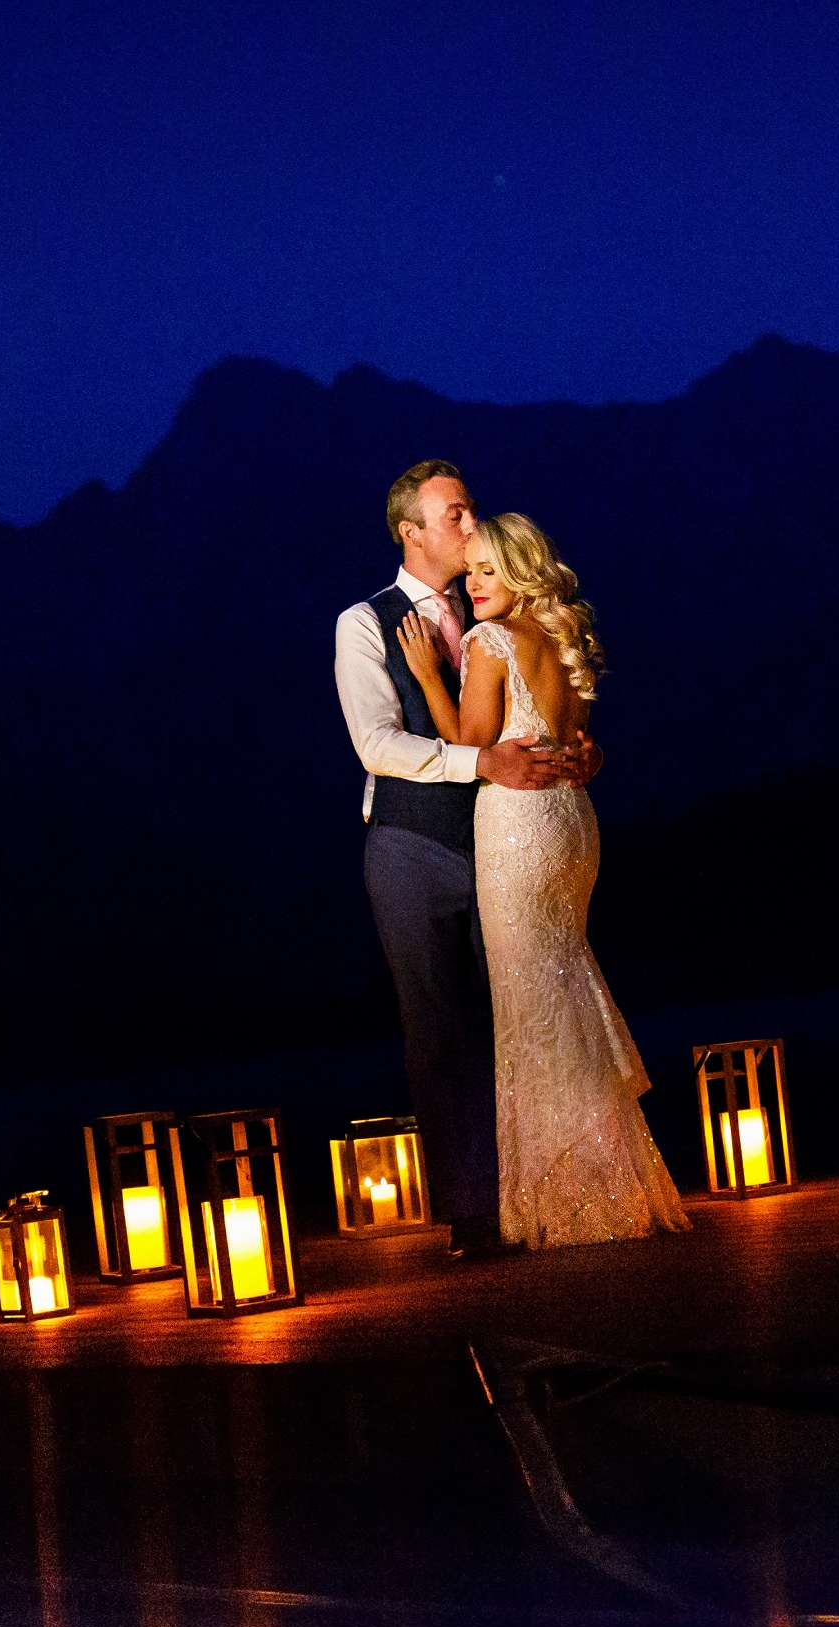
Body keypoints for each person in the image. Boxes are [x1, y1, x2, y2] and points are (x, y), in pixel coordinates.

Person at [399, 513, 690, 1249]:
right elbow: (581, 742)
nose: (475, 585)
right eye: (470, 576)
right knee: (566, 991)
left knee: (532, 1010)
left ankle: (574, 1199)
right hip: (574, 825)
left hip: (519, 828)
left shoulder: (487, 642)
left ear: (523, 572)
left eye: (489, 572)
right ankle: (610, 1180)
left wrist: (431, 674)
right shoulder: (563, 641)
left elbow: (469, 741)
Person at [331, 461, 596, 1256]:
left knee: (515, 1011)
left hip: (503, 840)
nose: (469, 522)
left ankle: (540, 1187)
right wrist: (478, 765)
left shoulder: (495, 606)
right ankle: (472, 1211)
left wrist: (573, 749)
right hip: (411, 843)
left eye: (471, 509)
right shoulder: (363, 622)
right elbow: (376, 743)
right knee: (435, 1026)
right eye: (454, 513)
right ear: (410, 532)